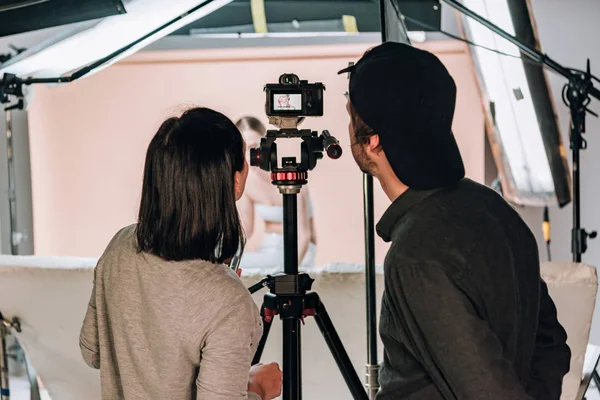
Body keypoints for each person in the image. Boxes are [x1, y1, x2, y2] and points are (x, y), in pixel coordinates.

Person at [339, 42, 571, 399]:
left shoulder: (417, 256)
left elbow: (488, 391)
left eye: (350, 113)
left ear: (371, 142)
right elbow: (551, 344)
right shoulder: (493, 208)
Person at [79, 107, 282, 400]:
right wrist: (257, 388)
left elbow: (92, 351)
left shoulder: (120, 245)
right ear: (235, 181)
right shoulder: (227, 299)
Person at [235, 116, 317, 270]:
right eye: (244, 150)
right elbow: (246, 231)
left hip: (299, 250)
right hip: (268, 249)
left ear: (266, 144)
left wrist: (288, 274)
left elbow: (305, 236)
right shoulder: (248, 183)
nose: (250, 155)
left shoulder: (290, 175)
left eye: (255, 147)